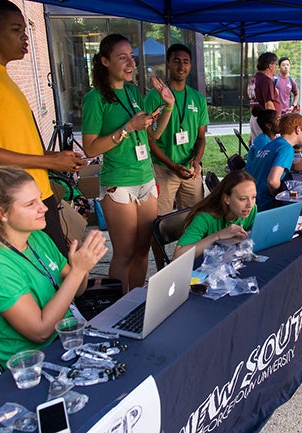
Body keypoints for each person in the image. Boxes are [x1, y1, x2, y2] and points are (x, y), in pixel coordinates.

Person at [0, 0, 85, 256]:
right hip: (12, 204)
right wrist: (49, 163)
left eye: (25, 30)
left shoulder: (1, 74)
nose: (25, 37)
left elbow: (14, 143)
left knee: (57, 273)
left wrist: (55, 158)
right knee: (44, 281)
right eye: (16, 29)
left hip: (34, 195)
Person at [0, 165, 108, 368]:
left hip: (68, 340)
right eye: (31, 204)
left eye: (40, 199)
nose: (44, 208)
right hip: (35, 364)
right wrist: (77, 271)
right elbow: (40, 332)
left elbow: (78, 291)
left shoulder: (37, 237)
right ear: (1, 213)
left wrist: (83, 267)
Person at [82, 34, 175, 293]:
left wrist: (168, 106)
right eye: (122, 58)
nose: (130, 63)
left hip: (145, 179)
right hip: (118, 184)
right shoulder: (95, 98)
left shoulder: (133, 92)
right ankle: (120, 308)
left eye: (131, 57)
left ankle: (137, 300)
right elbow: (90, 148)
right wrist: (127, 128)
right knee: (124, 253)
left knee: (142, 249)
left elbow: (153, 134)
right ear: (104, 61)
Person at [145, 43, 209, 216]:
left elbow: (201, 138)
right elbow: (149, 140)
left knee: (194, 218)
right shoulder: (154, 97)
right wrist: (172, 165)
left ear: (191, 65)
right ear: (168, 63)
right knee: (159, 221)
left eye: (186, 62)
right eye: (176, 61)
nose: (181, 66)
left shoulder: (198, 99)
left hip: (190, 170)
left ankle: (189, 245)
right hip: (163, 168)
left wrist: (196, 161)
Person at [174, 170, 257, 259]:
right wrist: (217, 236)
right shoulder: (205, 218)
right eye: (243, 199)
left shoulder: (251, 210)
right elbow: (177, 256)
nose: (250, 205)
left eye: (253, 197)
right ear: (227, 199)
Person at [245, 113, 302, 211]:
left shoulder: (273, 143)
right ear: (298, 129)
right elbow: (272, 181)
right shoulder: (286, 148)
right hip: (263, 205)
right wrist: (279, 197)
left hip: (253, 198)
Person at [248, 52, 282, 145]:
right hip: (266, 121)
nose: (276, 67)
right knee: (268, 149)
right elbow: (269, 105)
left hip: (256, 118)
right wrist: (276, 122)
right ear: (270, 66)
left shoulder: (253, 80)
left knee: (259, 147)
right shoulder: (266, 80)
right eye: (275, 64)